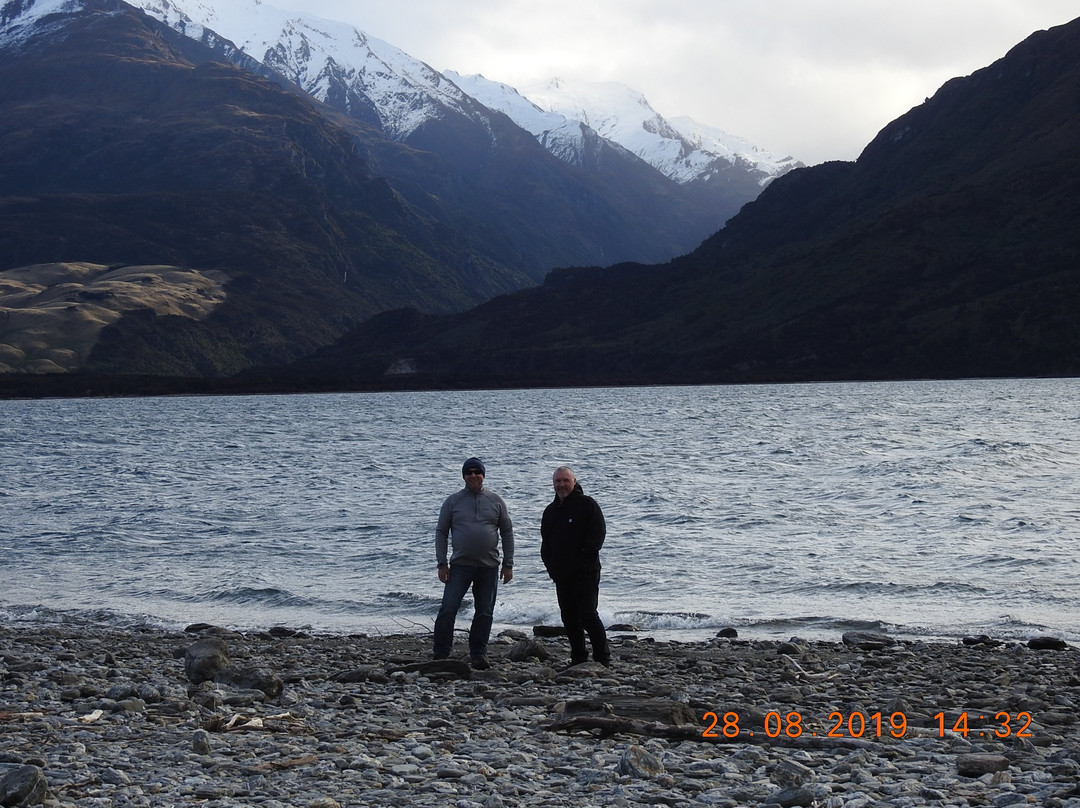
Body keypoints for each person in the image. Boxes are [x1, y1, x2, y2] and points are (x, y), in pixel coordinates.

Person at [433, 457, 514, 668]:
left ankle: (478, 654)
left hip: (489, 567)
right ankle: (441, 653)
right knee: (448, 608)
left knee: (485, 611)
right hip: (459, 566)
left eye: (477, 472)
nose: (473, 475)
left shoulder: (496, 501)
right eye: (468, 472)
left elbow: (506, 532)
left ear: (483, 474)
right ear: (463, 476)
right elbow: (441, 532)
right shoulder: (452, 502)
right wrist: (442, 564)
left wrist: (508, 564)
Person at [540, 465, 610, 667]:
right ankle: (578, 658)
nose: (561, 485)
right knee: (569, 618)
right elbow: (546, 543)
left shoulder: (587, 505)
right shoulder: (550, 511)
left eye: (565, 481)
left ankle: (602, 658)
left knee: (588, 615)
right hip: (561, 575)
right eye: (558, 481)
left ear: (574, 482)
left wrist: (584, 562)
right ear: (553, 484)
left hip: (585, 573)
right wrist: (551, 567)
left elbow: (597, 536)